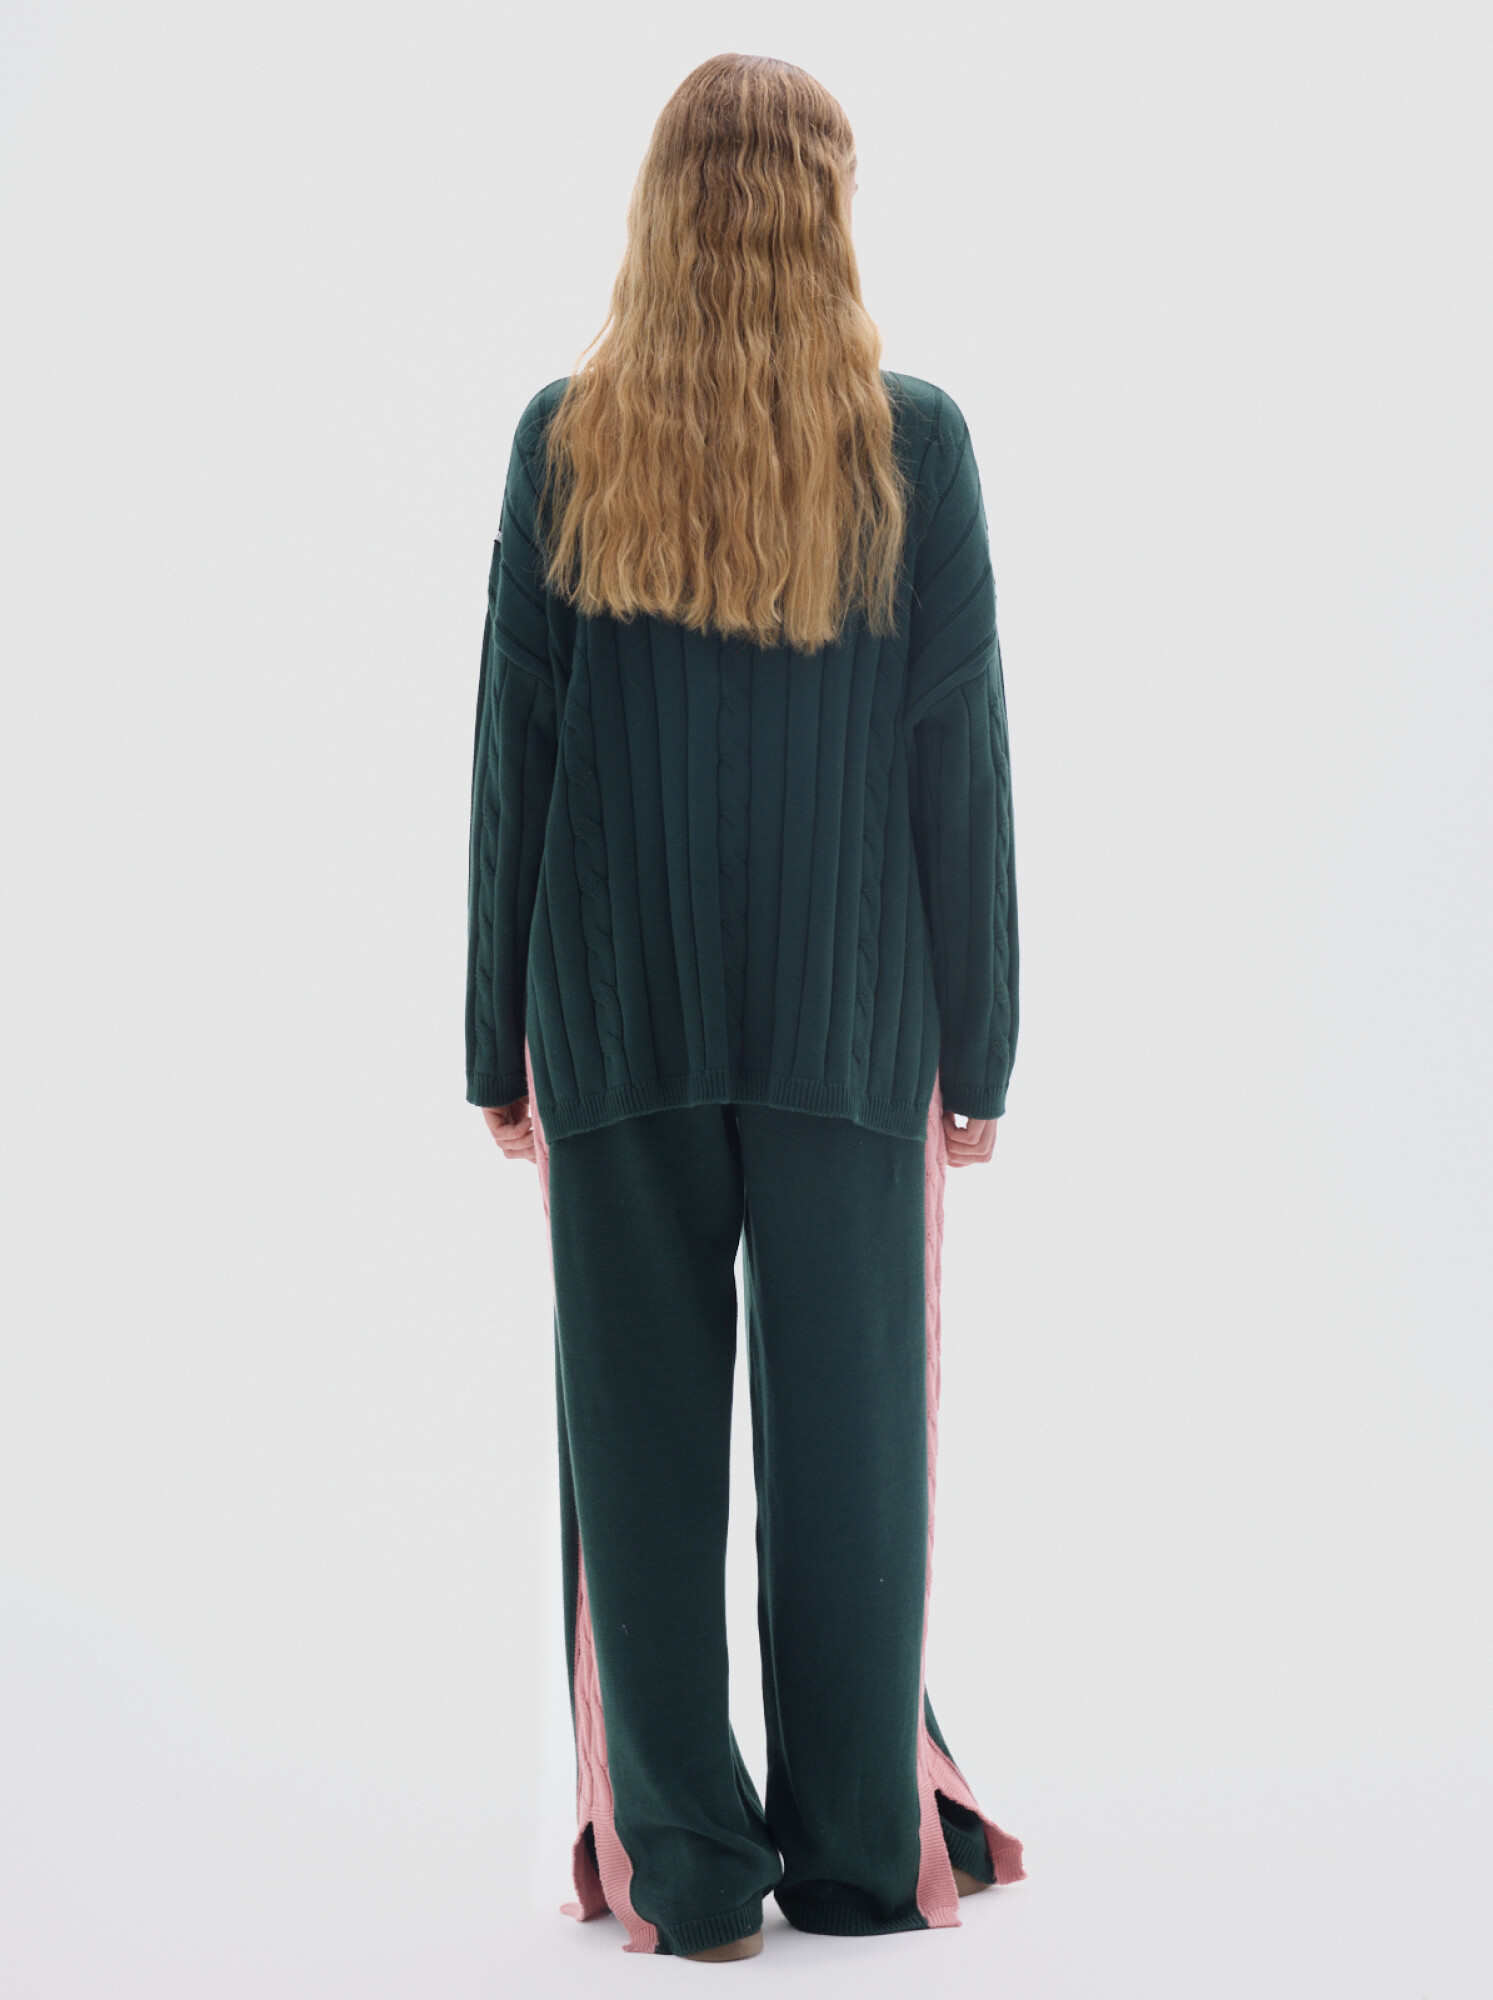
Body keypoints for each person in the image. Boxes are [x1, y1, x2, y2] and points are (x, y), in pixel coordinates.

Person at [465, 53, 1023, 1963]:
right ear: (827, 210)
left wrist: (490, 1039)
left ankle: (690, 1877)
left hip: (610, 1015)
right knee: (858, 1445)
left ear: (657, 210)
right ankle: (859, 1857)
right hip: (850, 1021)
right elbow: (959, 762)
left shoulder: (567, 440)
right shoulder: (912, 443)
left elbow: (513, 758)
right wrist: (981, 1045)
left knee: (629, 1449)